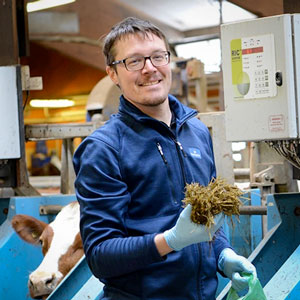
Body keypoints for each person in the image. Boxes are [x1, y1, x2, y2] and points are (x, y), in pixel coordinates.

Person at [73, 17, 256, 300]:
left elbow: (207, 219)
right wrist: (169, 241)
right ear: (112, 73)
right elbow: (100, 256)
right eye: (134, 61)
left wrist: (222, 254)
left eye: (158, 56)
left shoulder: (195, 130)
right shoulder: (104, 149)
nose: (150, 68)